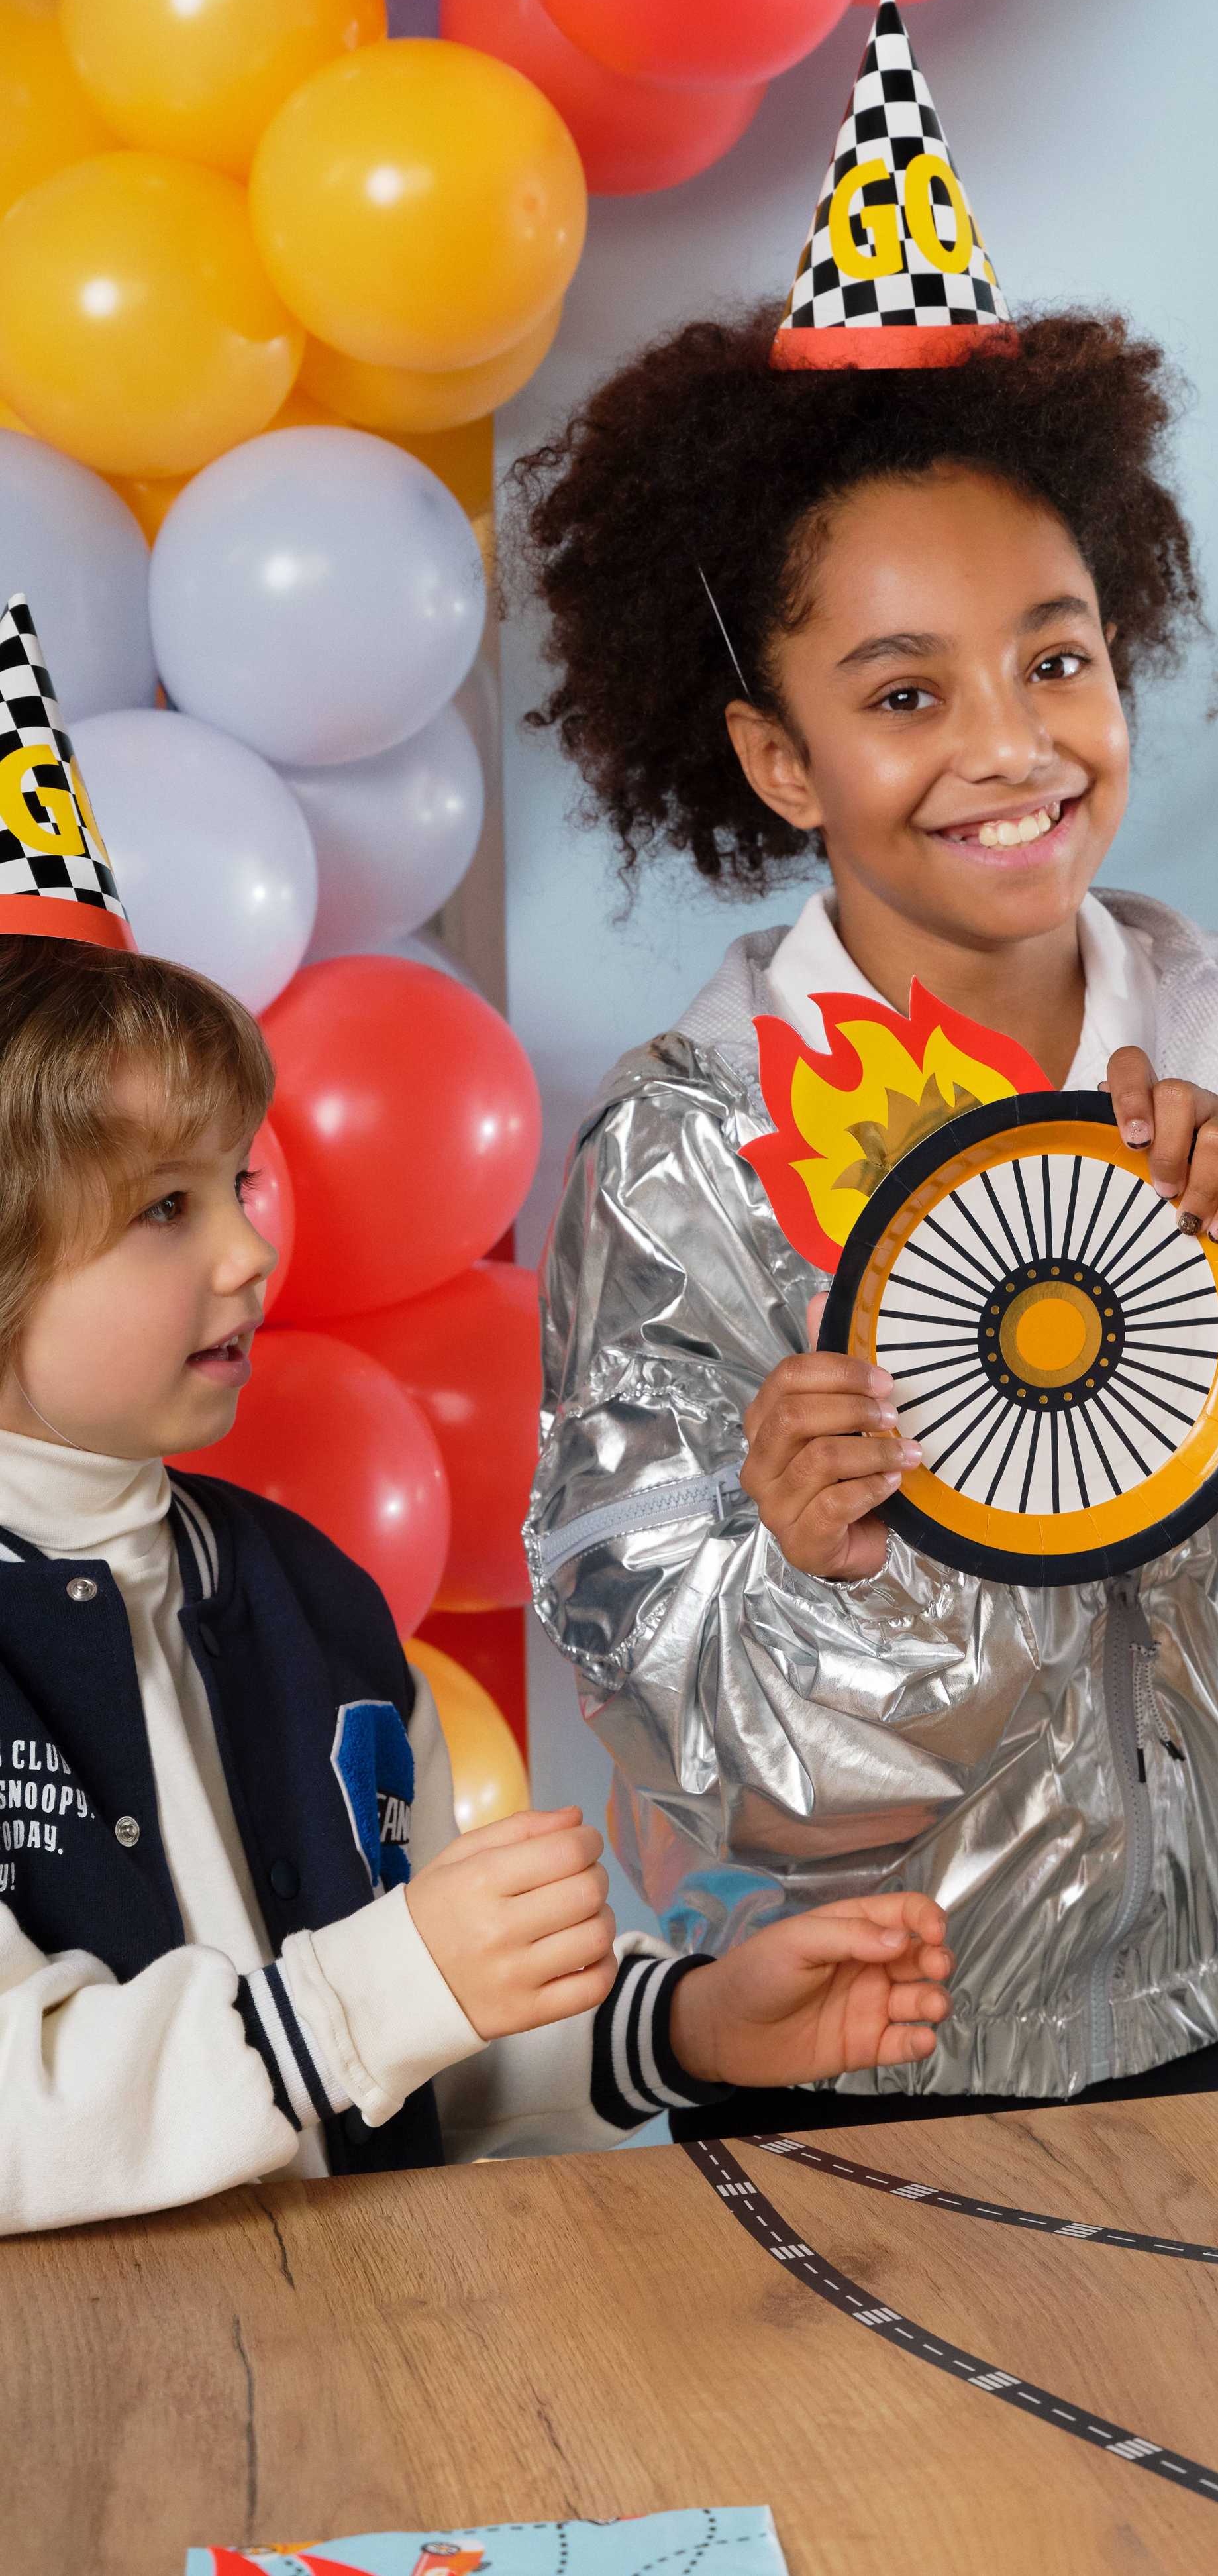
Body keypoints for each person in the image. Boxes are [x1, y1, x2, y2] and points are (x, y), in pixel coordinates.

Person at [522, 0, 1218, 2127]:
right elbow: (700, 1739)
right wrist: (843, 1556)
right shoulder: (697, 1150)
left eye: (1056, 657)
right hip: (845, 2058)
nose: (1011, 745)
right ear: (773, 755)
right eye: (903, 694)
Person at [0, 597, 951, 2235]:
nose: (250, 1246)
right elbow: (37, 2118)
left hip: (360, 2382)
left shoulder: (301, 1597)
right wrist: (378, 1994)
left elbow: (409, 2045)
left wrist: (687, 2025)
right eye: (164, 1211)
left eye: (238, 1181)